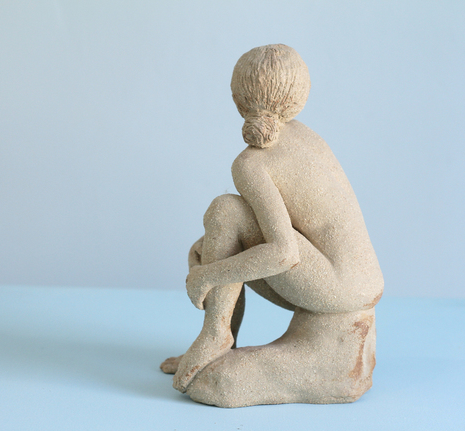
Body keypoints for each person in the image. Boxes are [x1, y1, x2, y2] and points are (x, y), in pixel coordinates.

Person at [161, 44, 384, 407]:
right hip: (354, 283)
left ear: (237, 99)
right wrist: (213, 261)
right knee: (218, 234)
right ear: (299, 98)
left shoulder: (250, 164)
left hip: (339, 292)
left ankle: (216, 334)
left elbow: (284, 254)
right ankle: (219, 338)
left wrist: (207, 276)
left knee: (225, 211)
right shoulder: (305, 135)